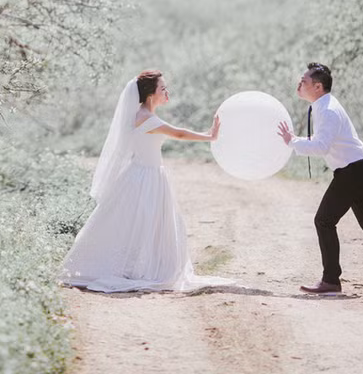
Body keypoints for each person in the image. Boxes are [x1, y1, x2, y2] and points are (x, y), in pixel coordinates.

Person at [60, 70, 233, 293]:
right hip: (147, 176)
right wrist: (210, 136)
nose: (166, 91)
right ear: (151, 94)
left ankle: (133, 265)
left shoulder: (141, 115)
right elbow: (178, 134)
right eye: (163, 88)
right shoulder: (147, 118)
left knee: (139, 222)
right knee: (147, 221)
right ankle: (141, 268)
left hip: (141, 174)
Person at [277, 62, 363, 296]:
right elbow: (322, 141)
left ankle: (330, 281)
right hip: (359, 169)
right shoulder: (323, 105)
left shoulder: (327, 110)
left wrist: (292, 141)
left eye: (304, 81)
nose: (299, 84)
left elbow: (320, 146)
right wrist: (296, 140)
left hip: (353, 172)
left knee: (324, 221)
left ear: (318, 86)